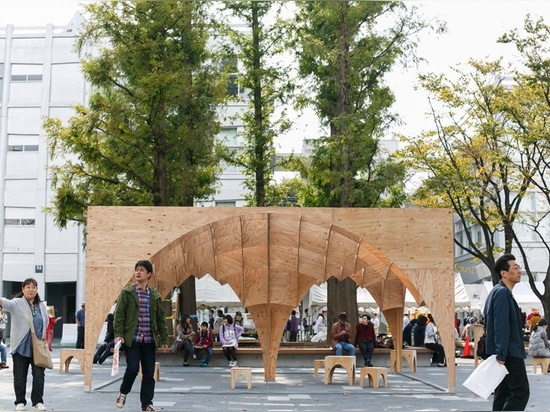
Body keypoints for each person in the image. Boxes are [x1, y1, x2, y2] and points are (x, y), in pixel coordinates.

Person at [114, 260, 169, 412]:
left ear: (149, 274)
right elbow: (118, 316)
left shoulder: (155, 296)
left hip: (149, 341)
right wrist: (118, 334)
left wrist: (164, 339)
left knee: (149, 374)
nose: (138, 272)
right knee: (132, 369)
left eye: (142, 270)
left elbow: (160, 319)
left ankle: (147, 404)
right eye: (136, 270)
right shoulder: (127, 293)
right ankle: (123, 393)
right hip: (133, 339)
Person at [483, 253, 529, 411]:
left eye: (519, 267)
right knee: (520, 392)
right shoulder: (502, 293)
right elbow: (500, 325)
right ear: (504, 273)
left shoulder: (498, 292)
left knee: (503, 393)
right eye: (515, 268)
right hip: (509, 353)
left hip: (504, 352)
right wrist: (501, 354)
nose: (519, 271)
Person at [0, 277, 48, 411]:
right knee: (20, 376)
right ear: (23, 289)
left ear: (37, 289)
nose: (31, 289)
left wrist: (42, 337)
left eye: (34, 287)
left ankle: (37, 402)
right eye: (28, 287)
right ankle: (20, 402)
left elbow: (46, 321)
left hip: (38, 348)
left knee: (39, 375)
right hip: (21, 346)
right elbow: (4, 302)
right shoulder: (17, 303)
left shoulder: (41, 306)